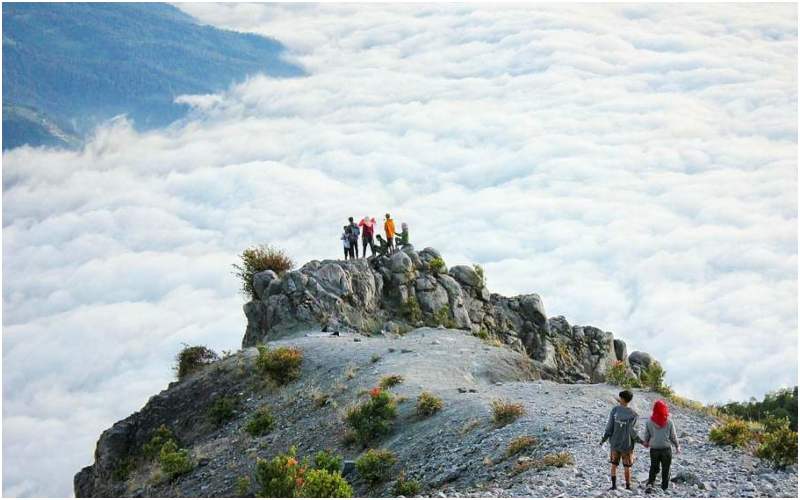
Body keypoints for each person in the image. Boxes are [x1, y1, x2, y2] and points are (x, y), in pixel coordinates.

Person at [600, 389, 643, 491]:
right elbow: (633, 432)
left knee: (614, 465)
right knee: (627, 466)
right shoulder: (634, 414)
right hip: (627, 445)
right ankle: (628, 486)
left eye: (620, 397)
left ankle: (614, 486)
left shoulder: (615, 411)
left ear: (622, 399)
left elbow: (609, 427)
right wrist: (641, 441)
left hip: (615, 443)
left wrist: (604, 439)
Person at [643, 400, 681, 493]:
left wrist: (646, 442)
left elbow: (646, 436)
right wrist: (677, 446)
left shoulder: (649, 421)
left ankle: (650, 484)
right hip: (666, 449)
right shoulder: (669, 422)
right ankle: (664, 487)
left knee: (654, 467)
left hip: (654, 449)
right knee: (666, 468)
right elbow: (673, 436)